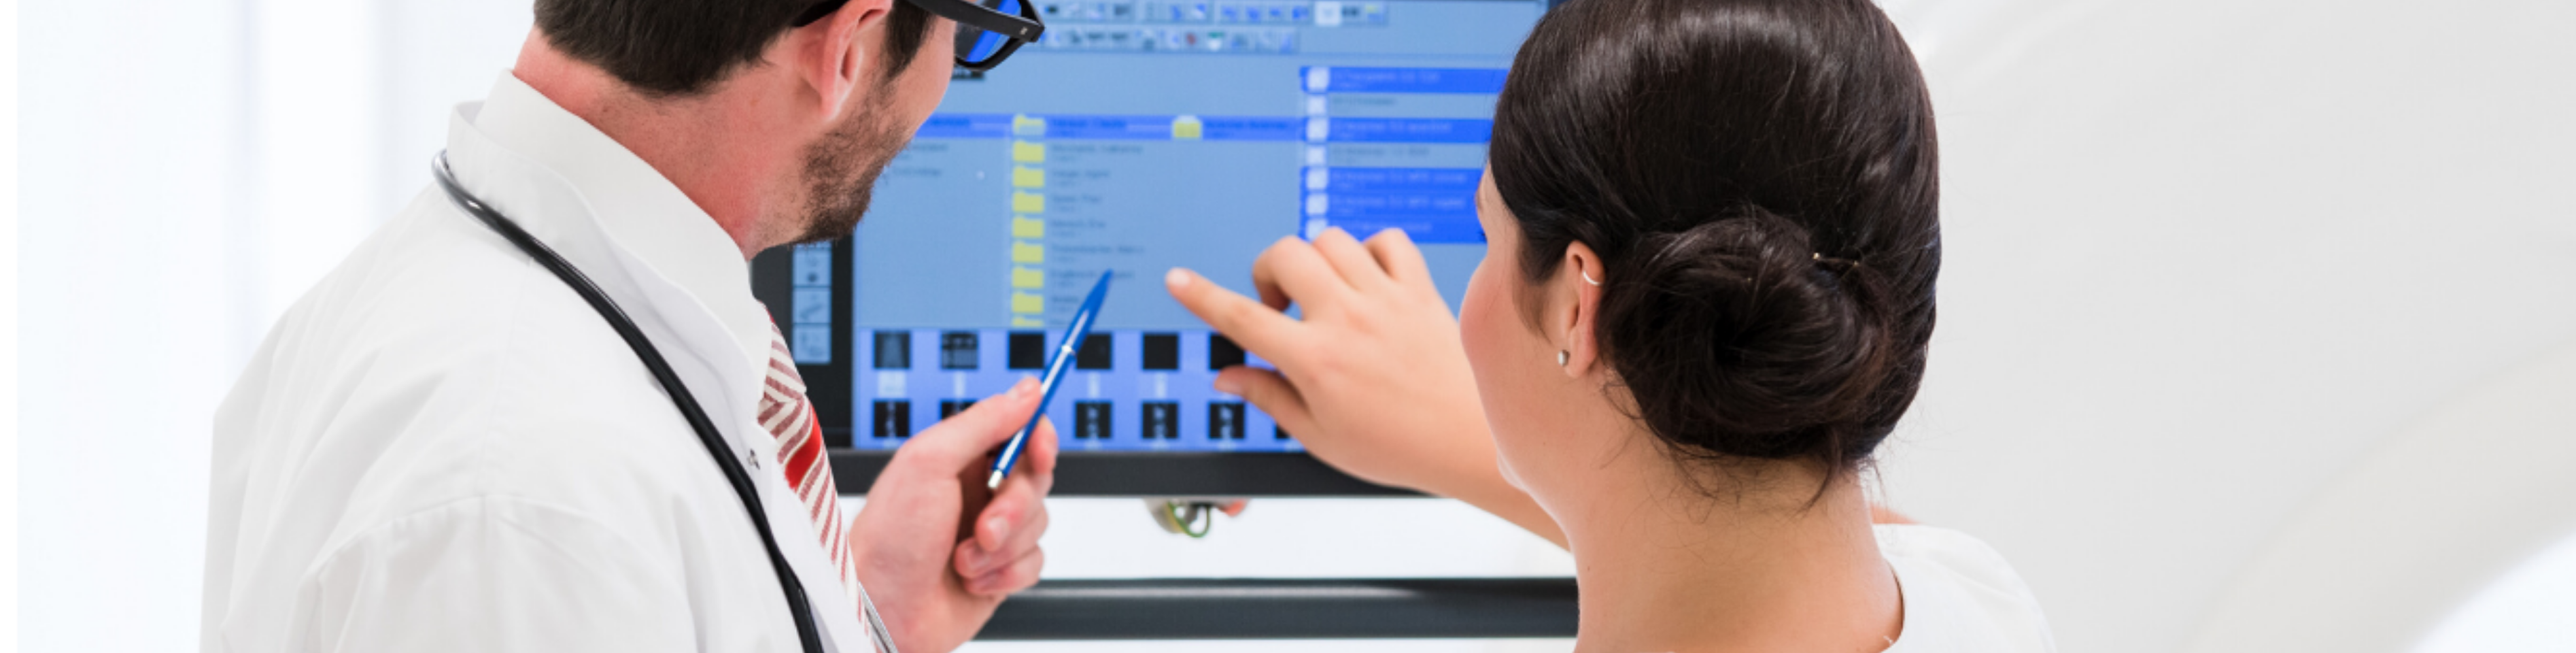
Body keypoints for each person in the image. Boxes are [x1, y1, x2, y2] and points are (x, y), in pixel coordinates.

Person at [1166, 0, 2056, 650]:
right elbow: (1803, 533)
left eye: (1488, 237)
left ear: (1577, 303)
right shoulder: (1984, 603)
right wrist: (1461, 425)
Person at [203, 1, 1056, 652]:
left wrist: (855, 612)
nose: (945, 86)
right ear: (850, 46)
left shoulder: (421, 303)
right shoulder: (532, 506)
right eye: (972, 36)